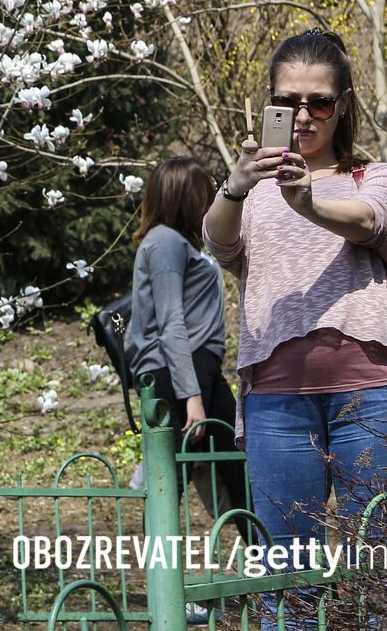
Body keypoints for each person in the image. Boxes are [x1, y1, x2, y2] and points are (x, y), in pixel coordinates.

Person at [204, 28, 387, 631]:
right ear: (269, 103)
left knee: (382, 566)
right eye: (287, 102)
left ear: (343, 104)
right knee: (285, 570)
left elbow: (370, 222)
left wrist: (308, 201)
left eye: (318, 102)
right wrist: (237, 185)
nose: (303, 115)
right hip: (278, 400)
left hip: (372, 391)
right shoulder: (251, 189)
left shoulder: (373, 176)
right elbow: (218, 242)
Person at [125, 157, 249, 526]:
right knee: (170, 482)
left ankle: (270, 569)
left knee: (236, 465)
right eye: (205, 190)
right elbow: (170, 322)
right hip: (179, 370)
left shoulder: (181, 243)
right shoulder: (164, 242)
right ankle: (161, 580)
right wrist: (190, 395)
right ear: (185, 196)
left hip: (199, 368)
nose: (211, 194)